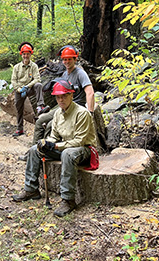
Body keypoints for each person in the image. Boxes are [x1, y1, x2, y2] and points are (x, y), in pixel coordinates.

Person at [12, 80, 98, 217]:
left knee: (68, 154)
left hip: (84, 150)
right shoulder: (58, 113)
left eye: (64, 96)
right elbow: (54, 136)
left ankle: (68, 200)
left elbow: (79, 141)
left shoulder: (82, 113)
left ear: (71, 95)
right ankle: (31, 189)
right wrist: (46, 143)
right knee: (35, 150)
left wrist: (56, 145)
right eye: (58, 97)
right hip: (65, 148)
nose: (61, 99)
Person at [27, 45, 95, 153]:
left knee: (50, 125)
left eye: (69, 59)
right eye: (64, 59)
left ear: (75, 59)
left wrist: (90, 112)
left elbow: (90, 92)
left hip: (75, 107)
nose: (67, 62)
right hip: (63, 106)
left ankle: (50, 150)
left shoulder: (80, 73)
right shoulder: (65, 74)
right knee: (40, 121)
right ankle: (35, 150)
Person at [11, 42, 50, 137]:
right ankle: (19, 129)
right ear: (21, 55)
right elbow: (13, 80)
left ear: (30, 54)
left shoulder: (34, 66)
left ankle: (40, 106)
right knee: (19, 109)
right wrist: (20, 90)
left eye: (27, 54)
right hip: (19, 91)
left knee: (38, 85)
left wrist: (27, 87)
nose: (26, 56)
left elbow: (37, 79)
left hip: (29, 88)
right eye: (24, 54)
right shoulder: (16, 67)